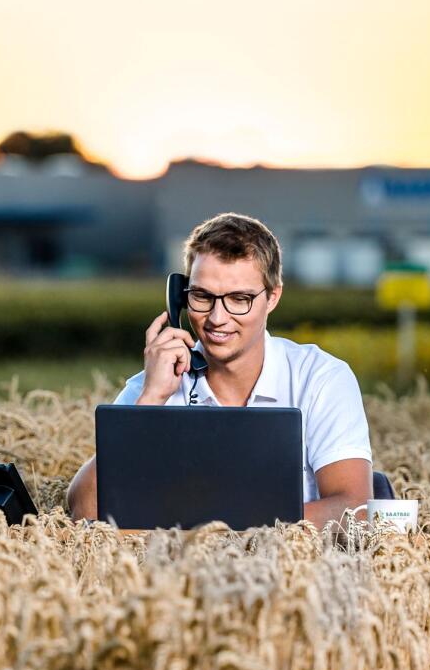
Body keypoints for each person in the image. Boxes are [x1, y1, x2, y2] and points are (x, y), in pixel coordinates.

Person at [66, 212, 373, 527]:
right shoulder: (154, 385)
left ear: (273, 297)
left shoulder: (319, 379)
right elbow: (85, 510)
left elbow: (354, 507)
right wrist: (150, 403)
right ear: (180, 297)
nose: (217, 318)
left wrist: (218, 530)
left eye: (239, 299)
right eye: (202, 296)